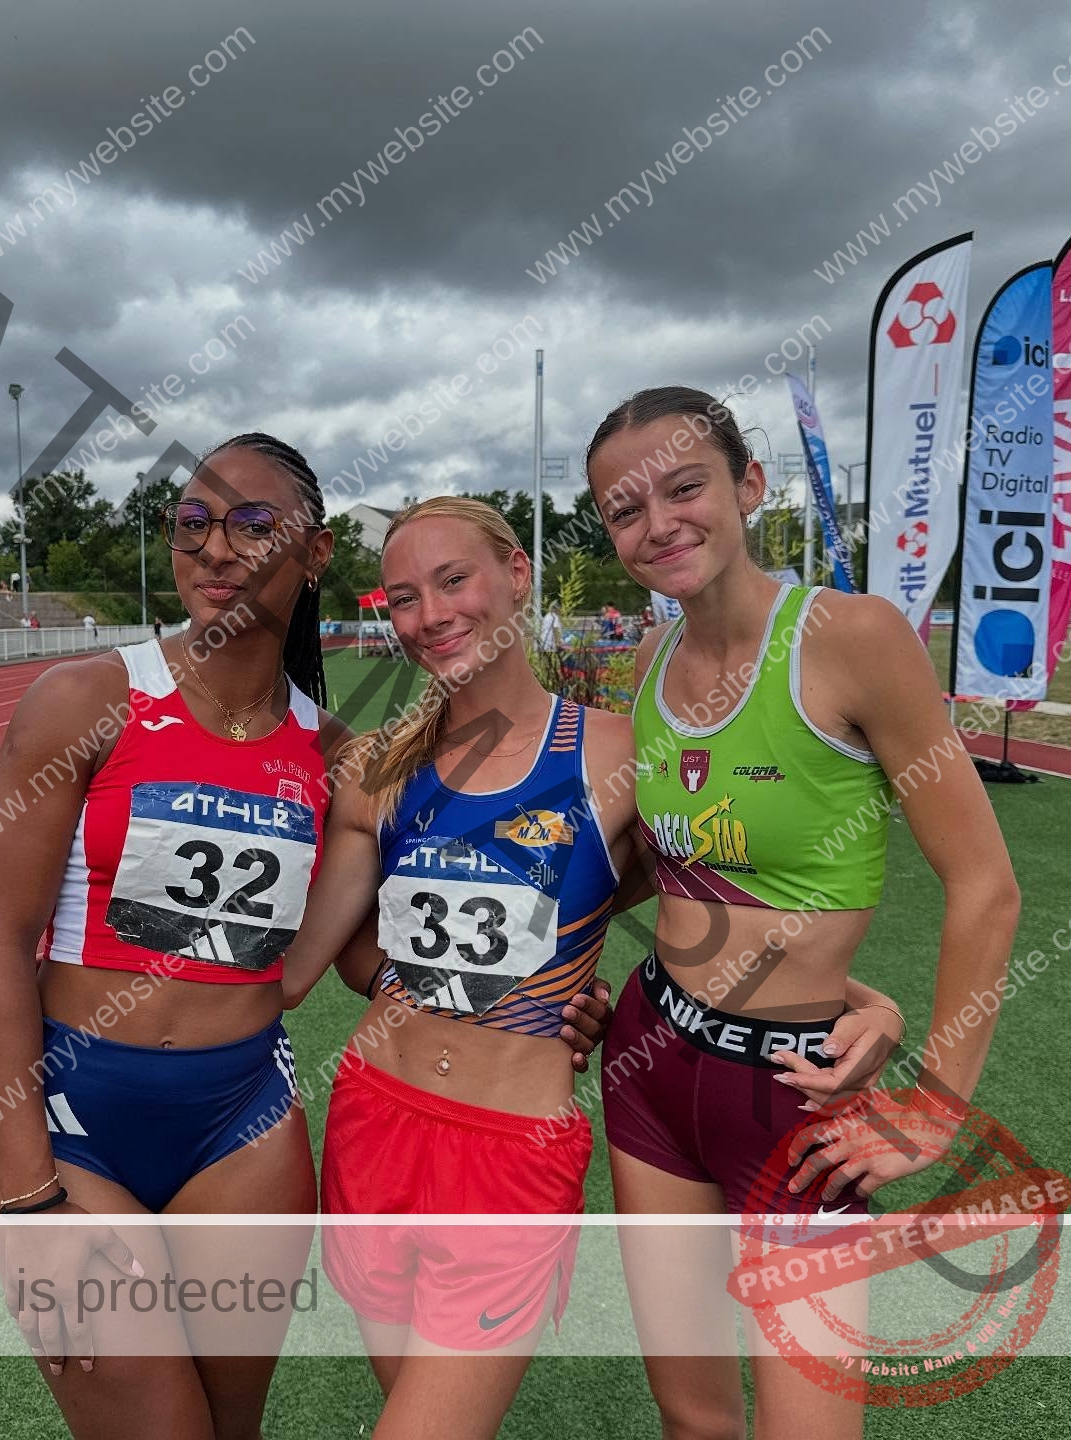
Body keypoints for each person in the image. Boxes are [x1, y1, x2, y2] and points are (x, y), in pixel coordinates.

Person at [279, 497, 899, 1439]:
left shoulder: (619, 756)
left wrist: (866, 1003)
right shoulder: (379, 770)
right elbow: (321, 962)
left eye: (454, 581)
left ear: (516, 576)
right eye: (403, 597)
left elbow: (716, 916)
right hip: (371, 1122)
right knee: (405, 1405)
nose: (429, 615)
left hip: (511, 1153)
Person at [585, 387, 1020, 1437]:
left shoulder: (852, 638)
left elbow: (987, 885)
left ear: (748, 486)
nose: (658, 525)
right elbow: (678, 877)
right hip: (652, 1067)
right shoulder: (646, 667)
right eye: (624, 510)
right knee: (692, 1417)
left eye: (685, 487)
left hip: (796, 1094)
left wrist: (937, 1103)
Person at [0, 433, 347, 1438]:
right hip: (81, 1126)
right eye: (192, 524)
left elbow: (379, 949)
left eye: (254, 525)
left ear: (316, 552)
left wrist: (561, 987)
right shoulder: (87, 701)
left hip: (245, 1127)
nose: (217, 548)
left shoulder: (335, 754)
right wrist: (24, 1193)